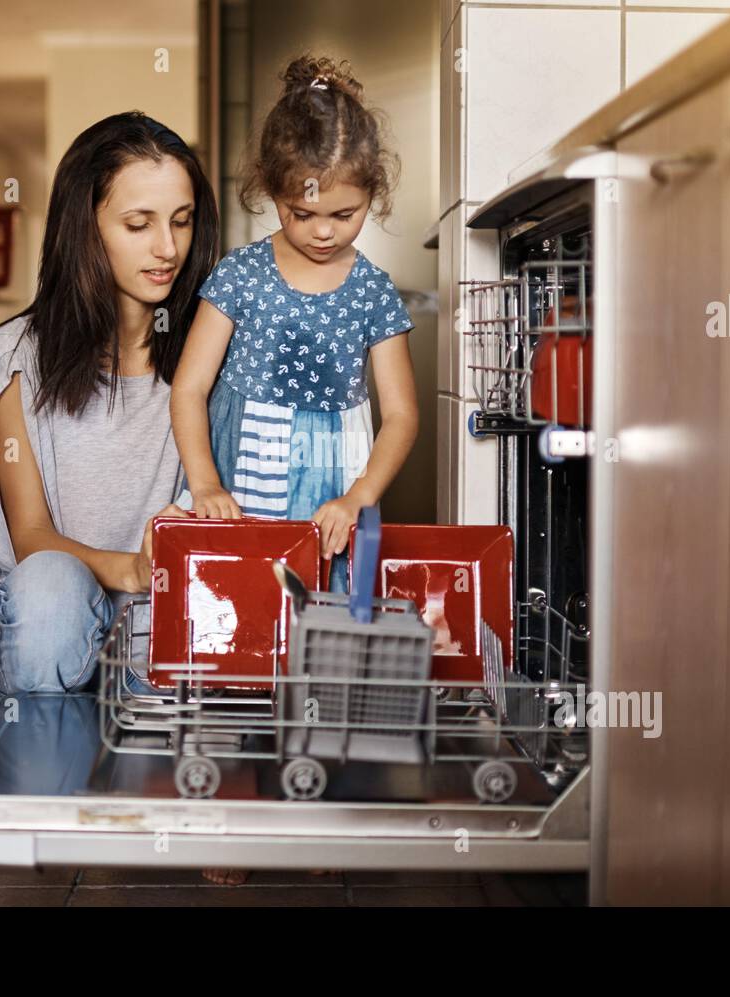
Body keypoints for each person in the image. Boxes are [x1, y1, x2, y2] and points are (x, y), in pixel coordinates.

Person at [169, 54, 420, 885]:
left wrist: (358, 495)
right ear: (272, 192)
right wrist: (204, 482)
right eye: (300, 209)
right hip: (241, 490)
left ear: (372, 195)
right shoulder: (239, 275)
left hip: (333, 497)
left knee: (322, 656)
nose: (322, 229)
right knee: (234, 652)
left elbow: (402, 415)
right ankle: (225, 820)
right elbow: (191, 385)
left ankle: (312, 812)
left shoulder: (376, 291)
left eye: (344, 212)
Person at [0, 111, 216, 699]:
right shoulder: (14, 356)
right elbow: (30, 538)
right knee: (50, 589)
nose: (167, 248)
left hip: (154, 619)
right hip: (34, 620)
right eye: (138, 224)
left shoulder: (205, 359)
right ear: (85, 227)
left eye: (182, 221)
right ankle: (50, 778)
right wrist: (131, 568)